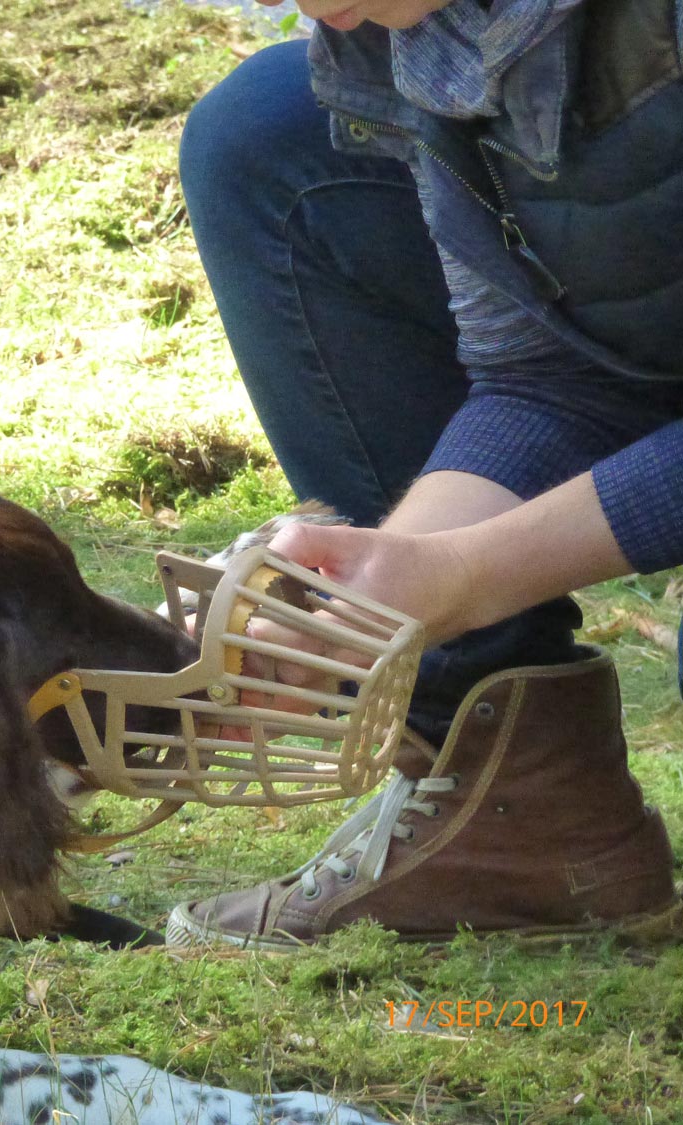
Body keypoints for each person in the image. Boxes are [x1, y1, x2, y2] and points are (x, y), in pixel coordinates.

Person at [166, 0, 683, 947]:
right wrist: (377, 592)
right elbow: (547, 377)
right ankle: (516, 796)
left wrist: (470, 573)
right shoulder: (410, 29)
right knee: (270, 133)